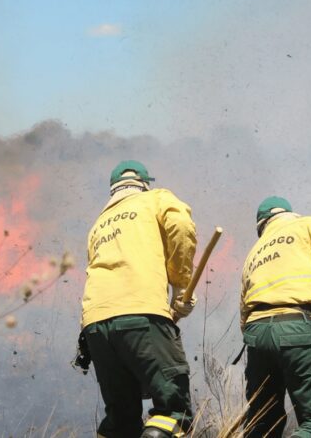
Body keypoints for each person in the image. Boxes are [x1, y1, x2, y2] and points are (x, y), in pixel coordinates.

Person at [79, 160, 197, 438]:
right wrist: (180, 285)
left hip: (95, 326)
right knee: (173, 411)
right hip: (141, 314)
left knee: (120, 421)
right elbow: (181, 226)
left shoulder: (98, 224)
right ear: (144, 183)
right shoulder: (155, 199)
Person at [240, 196, 311, 438]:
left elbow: (243, 303)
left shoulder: (254, 251)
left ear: (262, 225)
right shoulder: (306, 224)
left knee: (263, 422)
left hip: (255, 334)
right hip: (297, 326)